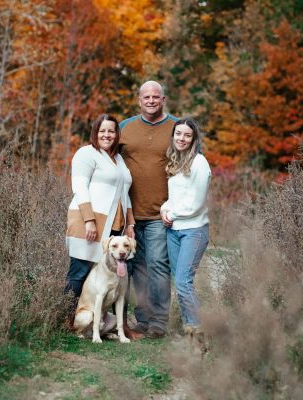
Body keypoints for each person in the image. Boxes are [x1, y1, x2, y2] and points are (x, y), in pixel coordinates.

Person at [65, 113, 138, 336]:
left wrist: (130, 224)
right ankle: (67, 322)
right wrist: (89, 220)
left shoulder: (118, 159)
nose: (107, 135)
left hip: (114, 226)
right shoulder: (86, 154)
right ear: (95, 132)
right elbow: (79, 187)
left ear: (117, 135)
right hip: (89, 221)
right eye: (102, 130)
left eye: (111, 131)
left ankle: (109, 324)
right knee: (79, 272)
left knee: (114, 275)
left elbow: (124, 194)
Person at [120, 81, 178, 339]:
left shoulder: (176, 127)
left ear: (163, 99)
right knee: (138, 267)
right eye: (147, 97)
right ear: (139, 99)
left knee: (157, 266)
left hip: (160, 213)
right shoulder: (125, 128)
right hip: (129, 212)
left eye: (156, 97)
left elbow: (190, 163)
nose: (151, 100)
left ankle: (159, 322)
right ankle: (142, 320)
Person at [160, 118, 211, 341]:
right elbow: (175, 197)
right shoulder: (177, 161)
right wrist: (164, 209)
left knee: (183, 281)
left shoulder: (199, 163)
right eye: (178, 134)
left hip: (194, 230)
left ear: (193, 139)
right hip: (174, 231)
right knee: (180, 280)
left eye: (187, 135)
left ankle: (198, 330)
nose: (181, 138)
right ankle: (189, 328)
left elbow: (196, 202)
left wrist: (172, 214)